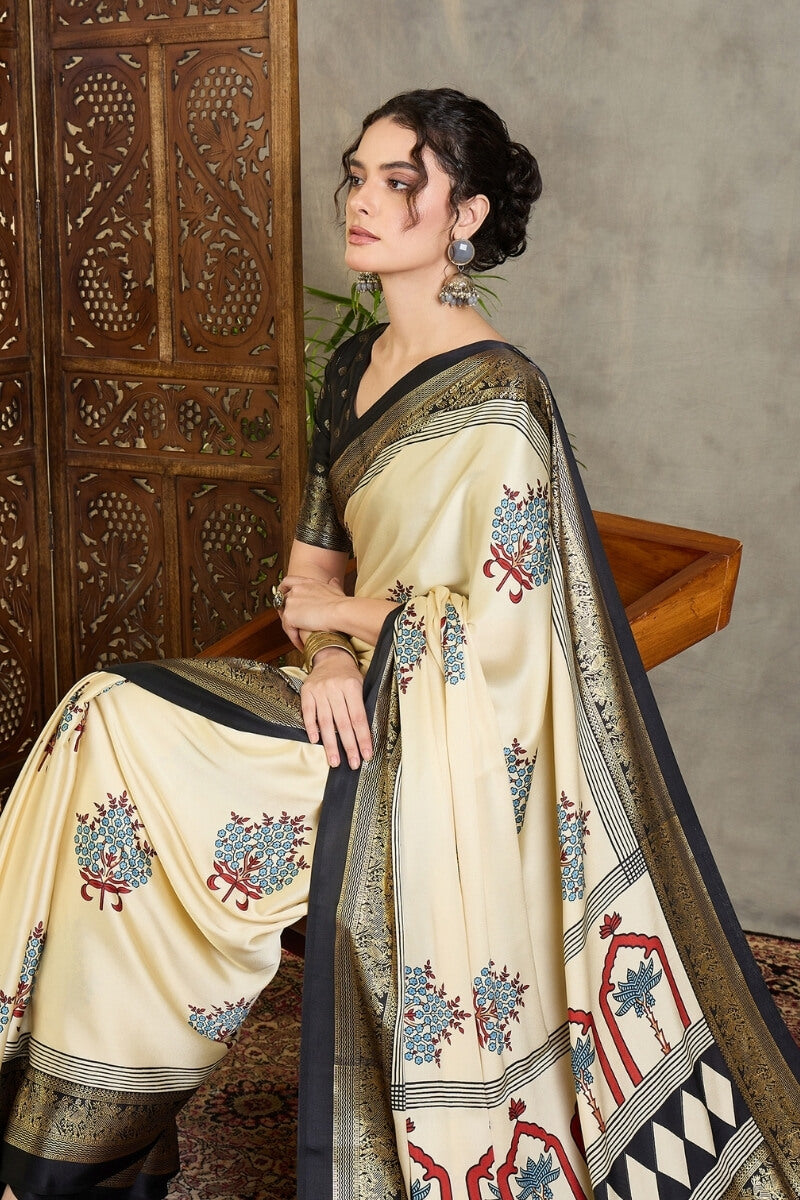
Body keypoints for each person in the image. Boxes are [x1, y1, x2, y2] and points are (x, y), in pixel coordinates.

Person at [1, 87, 798, 1200]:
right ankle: (82, 1138)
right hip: (343, 696)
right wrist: (328, 652)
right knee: (101, 724)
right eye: (357, 176)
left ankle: (80, 1147)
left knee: (119, 733)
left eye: (398, 183)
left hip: (441, 736)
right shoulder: (353, 368)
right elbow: (310, 572)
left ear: (463, 216)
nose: (361, 202)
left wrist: (340, 625)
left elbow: (502, 632)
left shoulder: (503, 393)